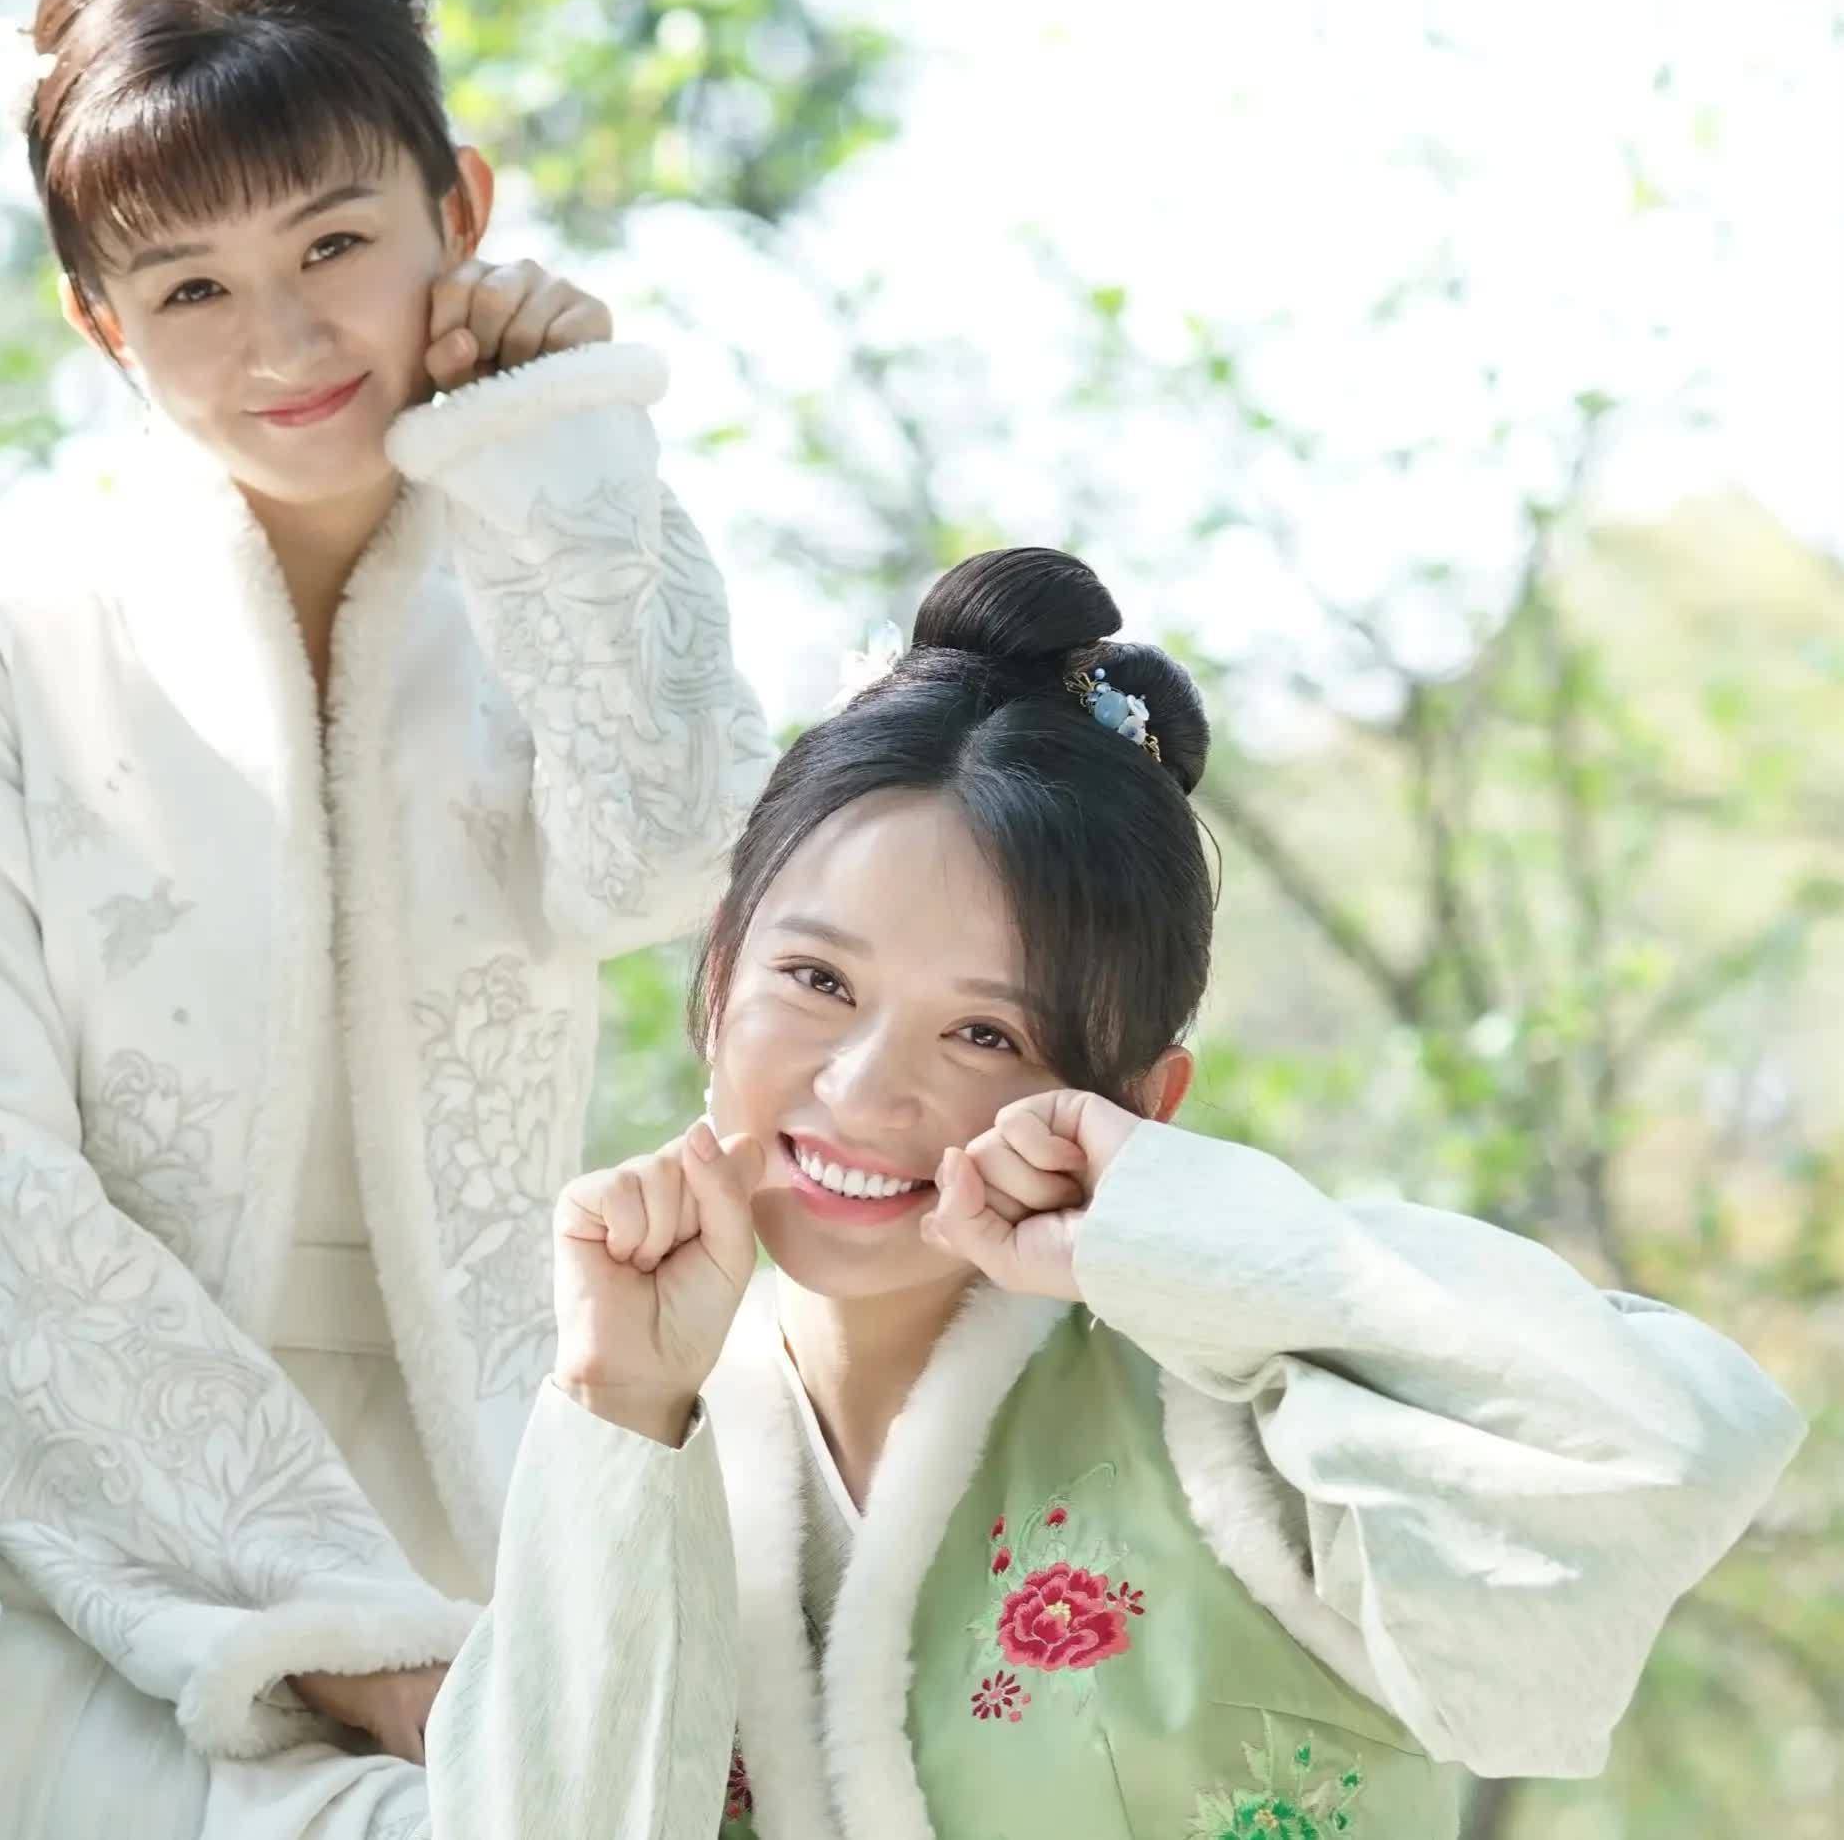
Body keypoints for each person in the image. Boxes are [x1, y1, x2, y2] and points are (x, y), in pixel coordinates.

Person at [0, 0, 770, 1840]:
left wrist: (563, 455)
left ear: (462, 210)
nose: (279, 337)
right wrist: (363, 1657)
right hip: (91, 1574)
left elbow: (675, 869)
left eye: (333, 242)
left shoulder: (546, 541)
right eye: (187, 286)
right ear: (99, 323)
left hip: (517, 1494)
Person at [425, 546, 1806, 1839]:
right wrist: (619, 1409)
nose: (862, 1090)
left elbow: (1668, 1449)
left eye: (987, 1033)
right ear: (719, 975)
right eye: (817, 979)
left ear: (1139, 1104)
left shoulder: (1260, 1422)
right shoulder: (618, 1428)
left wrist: (1169, 1230)